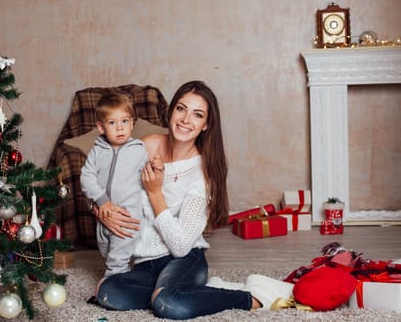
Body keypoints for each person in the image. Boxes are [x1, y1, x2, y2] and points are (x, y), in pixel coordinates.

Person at [91, 81, 293, 319]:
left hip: (185, 260)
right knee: (107, 292)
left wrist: (155, 193)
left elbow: (180, 246)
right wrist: (100, 209)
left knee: (170, 304)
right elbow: (104, 179)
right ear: (171, 111)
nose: (186, 119)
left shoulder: (202, 175)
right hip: (145, 264)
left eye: (197, 115)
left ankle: (251, 298)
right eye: (181, 109)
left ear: (206, 125)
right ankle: (190, 292)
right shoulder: (144, 146)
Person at [80, 92, 149, 277]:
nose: (120, 128)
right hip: (103, 213)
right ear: (101, 127)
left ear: (132, 123)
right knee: (106, 251)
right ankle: (126, 276)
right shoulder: (97, 151)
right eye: (112, 123)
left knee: (116, 259)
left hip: (128, 216)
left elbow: (149, 178)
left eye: (125, 121)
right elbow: (86, 177)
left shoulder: (139, 150)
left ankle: (113, 283)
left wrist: (157, 169)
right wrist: (102, 201)